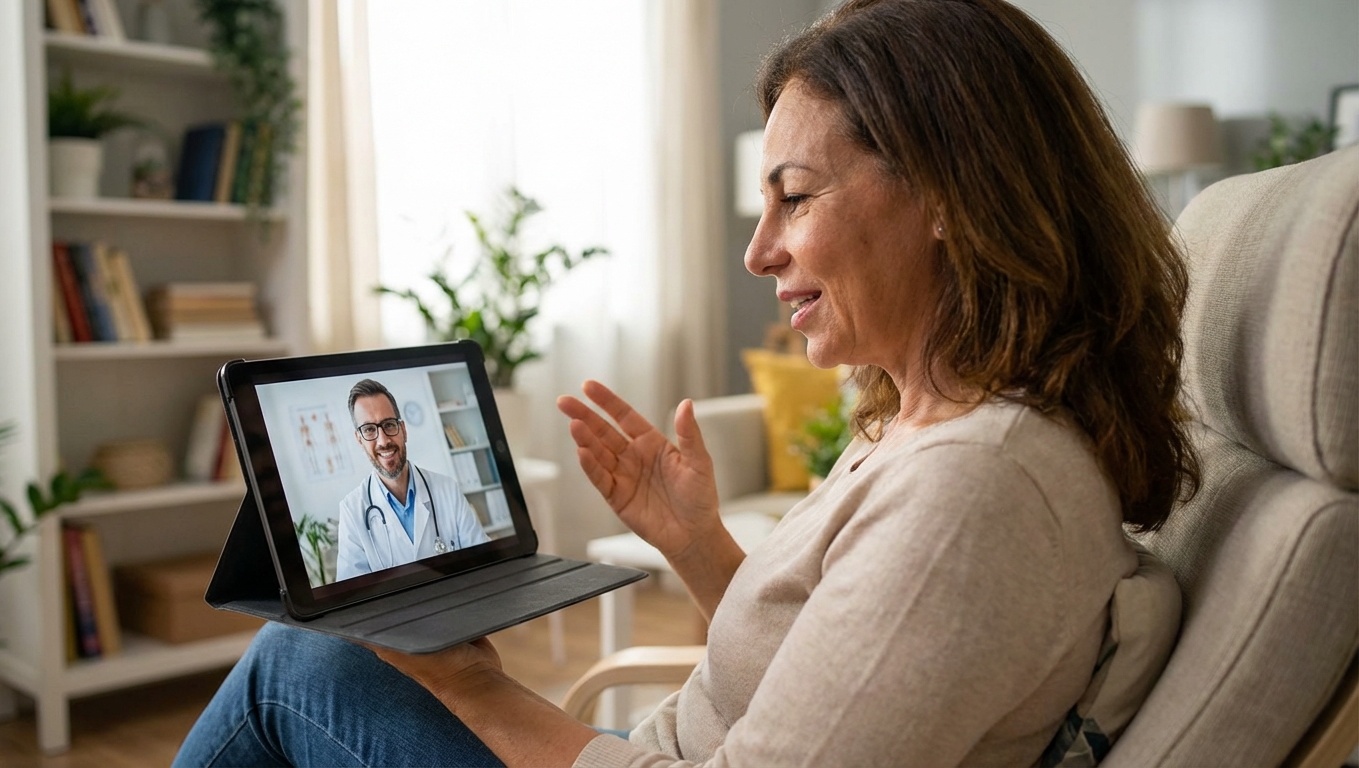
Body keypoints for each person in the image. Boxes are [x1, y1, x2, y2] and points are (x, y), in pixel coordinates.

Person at [173, 0, 1198, 765]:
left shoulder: (974, 490)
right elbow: (838, 672)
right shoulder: (933, 429)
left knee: (296, 663)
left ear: (948, 193)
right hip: (664, 742)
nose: (758, 253)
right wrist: (699, 545)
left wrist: (470, 685)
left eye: (794, 199)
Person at [334, 379, 489, 581]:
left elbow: (486, 562)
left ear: (403, 430)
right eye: (369, 430)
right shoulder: (351, 511)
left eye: (389, 425)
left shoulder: (447, 489)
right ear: (359, 440)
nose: (383, 441)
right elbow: (352, 599)